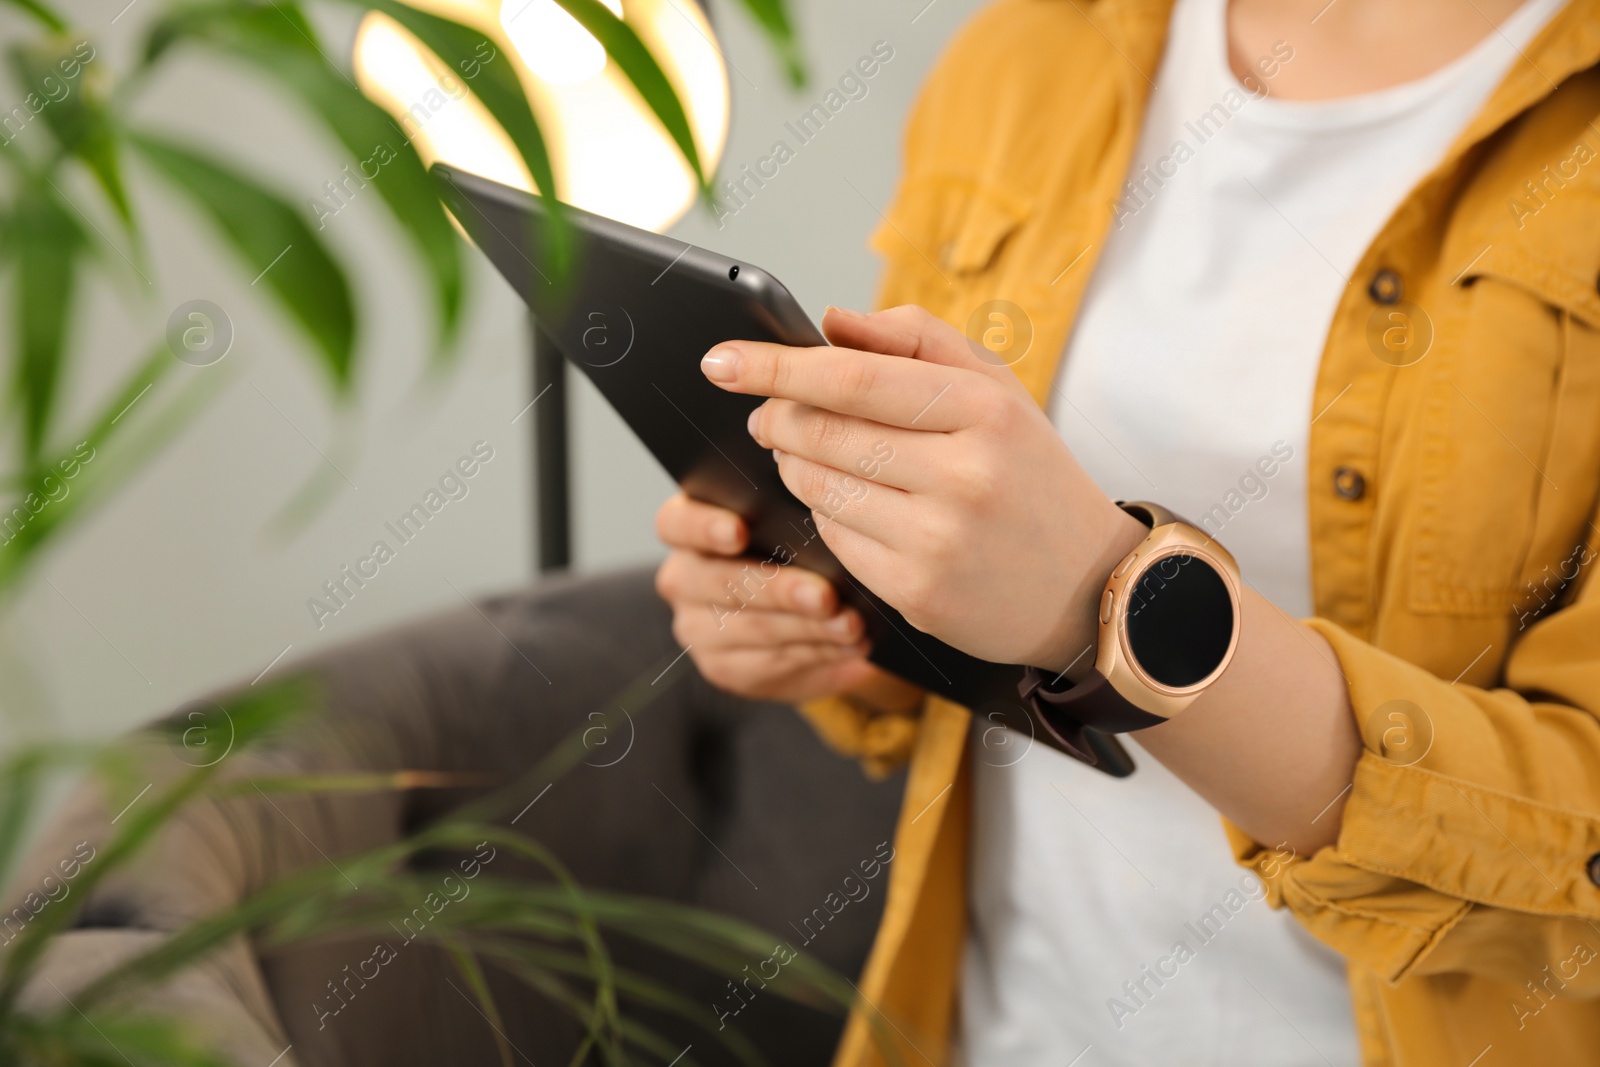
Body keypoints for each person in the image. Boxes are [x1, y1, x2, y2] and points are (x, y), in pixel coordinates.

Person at [654, 0, 1600, 1063]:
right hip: (994, 1024)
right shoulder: (1030, 51)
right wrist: (821, 615)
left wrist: (1106, 595)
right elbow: (953, 592)